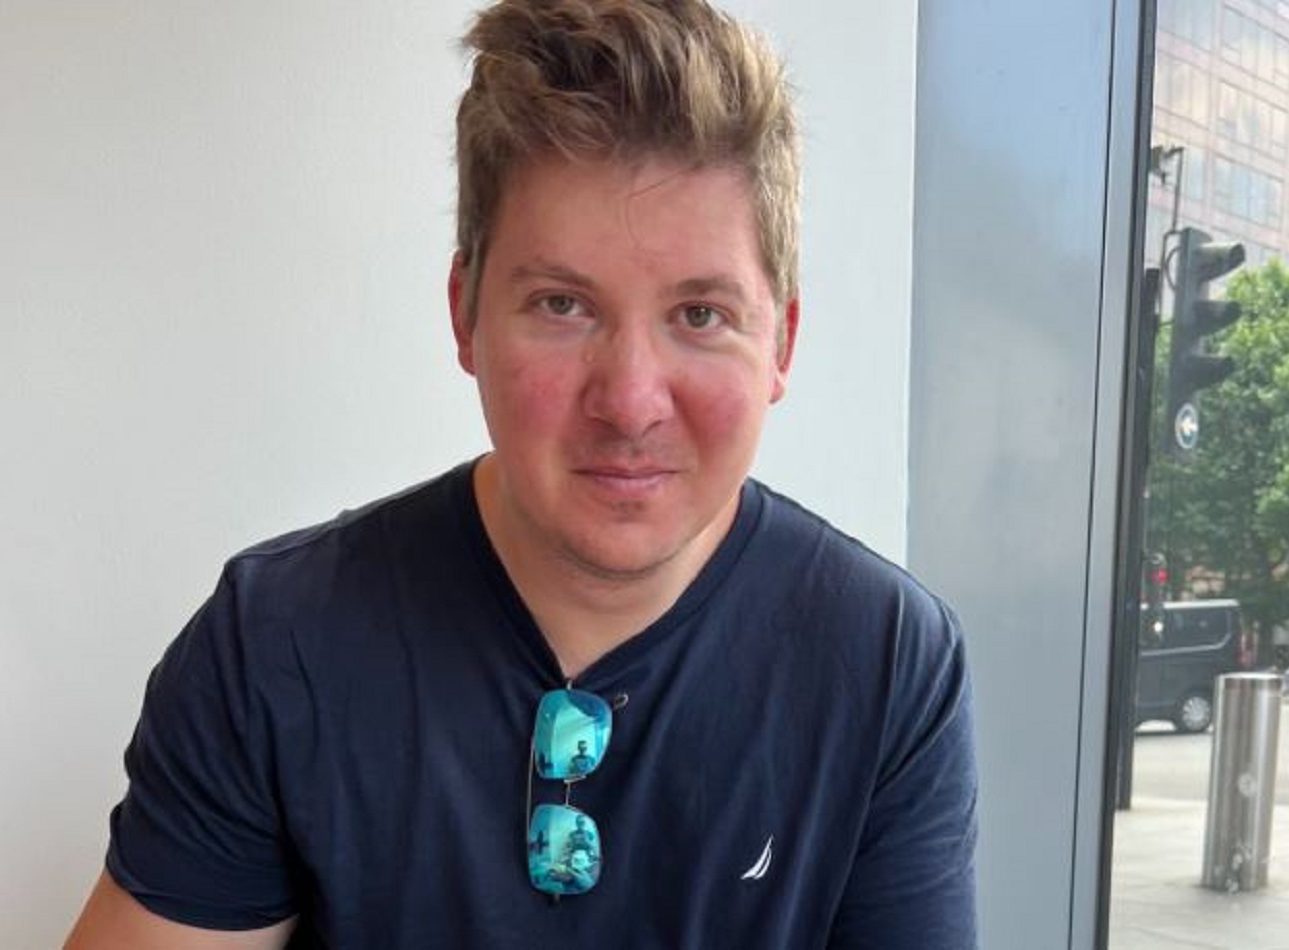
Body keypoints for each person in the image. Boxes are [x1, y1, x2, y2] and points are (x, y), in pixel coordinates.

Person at [64, 0, 978, 947]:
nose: (629, 402)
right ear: (464, 314)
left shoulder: (884, 664)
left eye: (700, 315)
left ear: (779, 342)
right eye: (561, 305)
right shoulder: (277, 643)